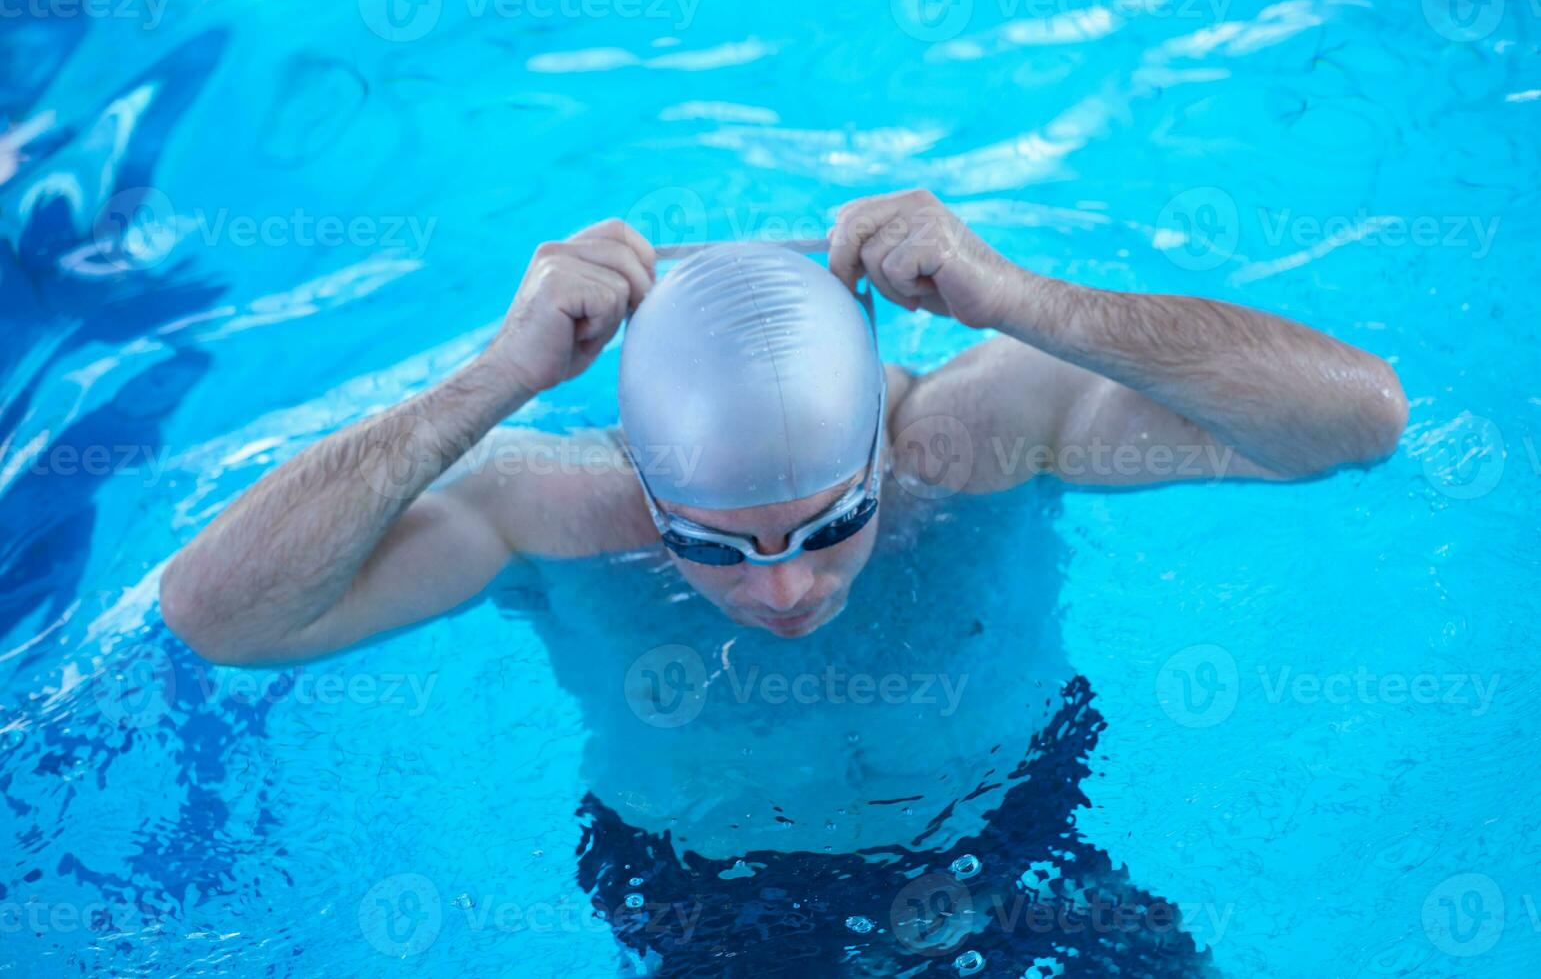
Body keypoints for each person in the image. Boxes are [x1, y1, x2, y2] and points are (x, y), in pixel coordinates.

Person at [159, 189, 1407, 974]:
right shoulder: (545, 502)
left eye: (836, 520)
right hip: (714, 903)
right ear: (639, 480)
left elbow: (1353, 420)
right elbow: (219, 616)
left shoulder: (978, 431)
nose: (787, 591)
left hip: (1015, 829)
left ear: (882, 435)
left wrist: (1015, 298)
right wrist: (492, 378)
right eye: (708, 543)